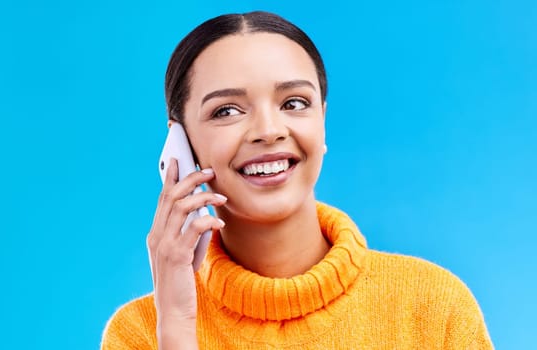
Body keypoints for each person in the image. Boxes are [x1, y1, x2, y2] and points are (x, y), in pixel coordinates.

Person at [101, 11, 493, 349]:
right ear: (180, 145)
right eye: (227, 110)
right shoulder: (140, 333)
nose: (268, 130)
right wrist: (177, 324)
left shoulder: (434, 308)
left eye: (293, 103)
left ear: (321, 120)